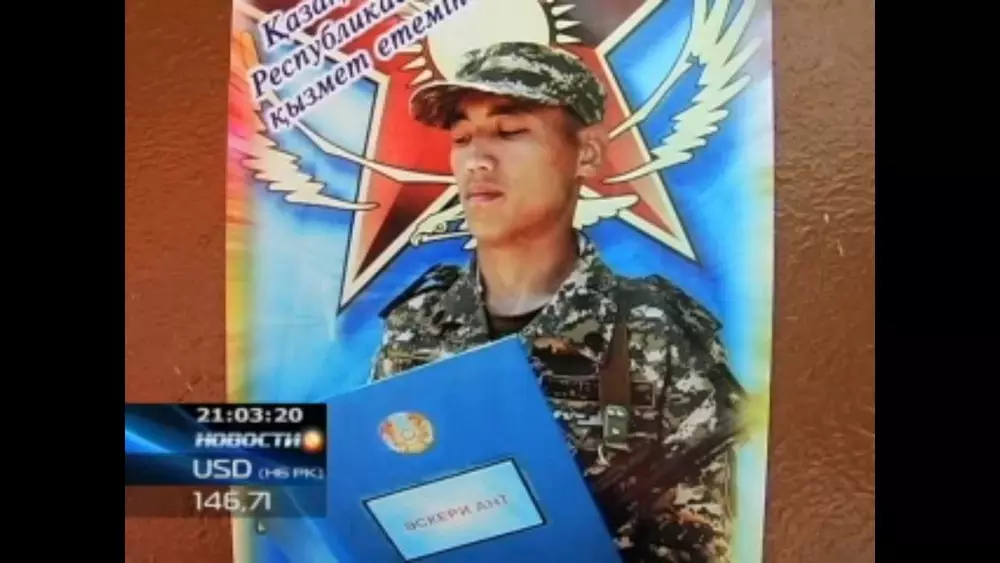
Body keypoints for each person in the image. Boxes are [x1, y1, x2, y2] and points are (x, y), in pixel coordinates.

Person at [369, 41, 746, 563]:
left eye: (509, 132)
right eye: (462, 138)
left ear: (586, 153)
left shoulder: (657, 331)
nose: (477, 160)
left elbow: (695, 545)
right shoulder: (416, 325)